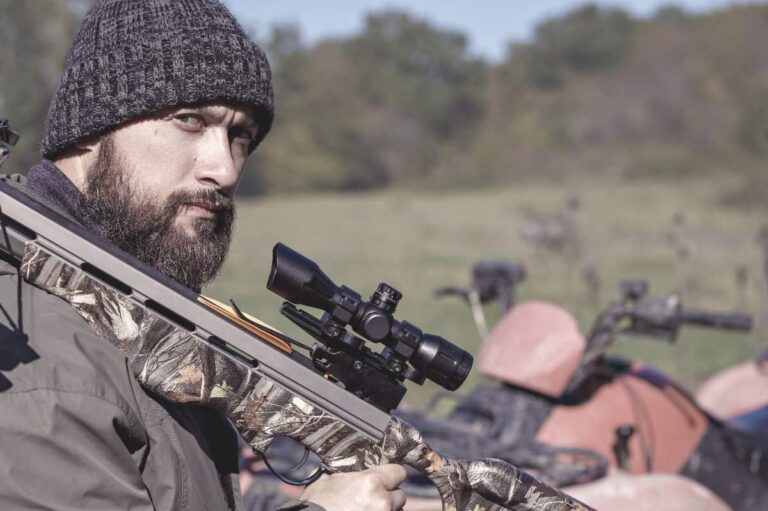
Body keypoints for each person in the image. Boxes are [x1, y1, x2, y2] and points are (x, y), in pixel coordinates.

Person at [0, 1, 407, 510]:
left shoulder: (135, 311)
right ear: (90, 128)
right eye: (189, 119)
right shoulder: (40, 363)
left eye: (240, 136)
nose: (226, 169)